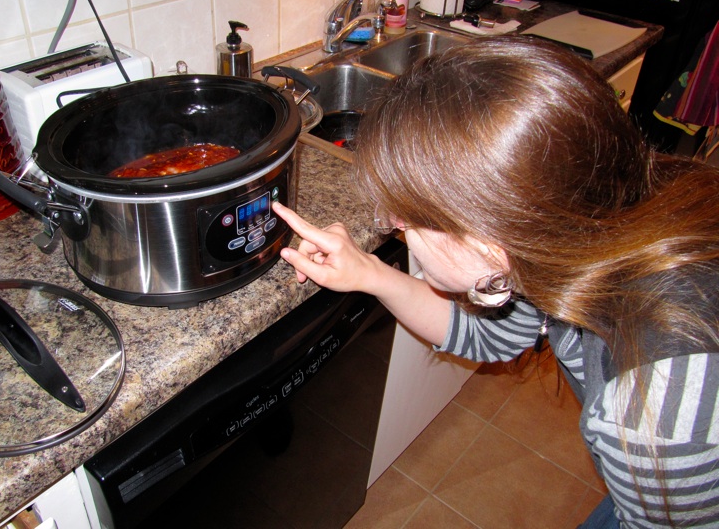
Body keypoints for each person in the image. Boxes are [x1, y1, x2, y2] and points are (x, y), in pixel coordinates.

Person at [273, 35, 719, 528]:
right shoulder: (572, 227)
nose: (392, 225)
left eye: (404, 219)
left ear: (492, 243)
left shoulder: (651, 421)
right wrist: (371, 273)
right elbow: (496, 333)